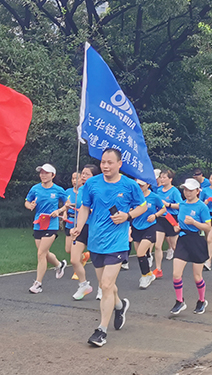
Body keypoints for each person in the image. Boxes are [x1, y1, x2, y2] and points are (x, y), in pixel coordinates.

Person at [71, 148, 147, 347]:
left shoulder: (129, 185)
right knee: (107, 286)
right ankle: (120, 305)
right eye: (103, 162)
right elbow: (85, 207)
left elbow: (143, 206)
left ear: (119, 164)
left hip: (118, 243)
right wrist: (79, 227)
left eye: (110, 162)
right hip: (96, 241)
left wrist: (128, 216)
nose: (105, 166)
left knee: (105, 285)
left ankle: (101, 331)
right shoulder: (91, 184)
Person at [170, 179, 212, 314]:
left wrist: (194, 222)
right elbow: (180, 222)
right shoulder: (182, 205)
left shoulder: (202, 207)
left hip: (196, 240)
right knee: (176, 274)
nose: (187, 193)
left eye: (190, 190)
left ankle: (201, 300)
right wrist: (177, 227)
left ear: (197, 191)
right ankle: (179, 301)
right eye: (185, 190)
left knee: (197, 276)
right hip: (183, 240)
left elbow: (208, 227)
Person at [25, 164, 68, 294]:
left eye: (46, 173)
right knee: (44, 252)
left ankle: (38, 284)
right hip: (38, 223)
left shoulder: (58, 190)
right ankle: (59, 265)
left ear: (52, 175)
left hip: (52, 224)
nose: (43, 175)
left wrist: (59, 211)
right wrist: (30, 206)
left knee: (41, 254)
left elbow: (68, 203)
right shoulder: (35, 188)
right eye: (41, 173)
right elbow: (27, 201)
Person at [68, 164, 100, 301]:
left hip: (96, 228)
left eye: (87, 174)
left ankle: (102, 288)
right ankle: (84, 285)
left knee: (99, 261)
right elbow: (81, 207)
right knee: (74, 259)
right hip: (81, 226)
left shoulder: (99, 189)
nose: (83, 176)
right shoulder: (80, 190)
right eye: (83, 174)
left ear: (94, 177)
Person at [131, 178, 165, 289]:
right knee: (140, 254)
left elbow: (163, 209)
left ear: (148, 185)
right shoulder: (134, 197)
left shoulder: (154, 197)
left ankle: (145, 276)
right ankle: (148, 273)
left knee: (140, 252)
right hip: (136, 226)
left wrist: (155, 215)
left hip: (150, 227)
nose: (139, 187)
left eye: (142, 185)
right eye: (138, 185)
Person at [156, 169, 183, 272]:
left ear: (170, 179)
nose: (162, 179)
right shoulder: (158, 190)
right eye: (161, 177)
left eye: (164, 177)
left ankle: (179, 266)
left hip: (171, 219)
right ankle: (158, 269)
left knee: (174, 245)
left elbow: (180, 205)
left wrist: (168, 204)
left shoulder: (174, 191)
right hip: (160, 219)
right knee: (157, 245)